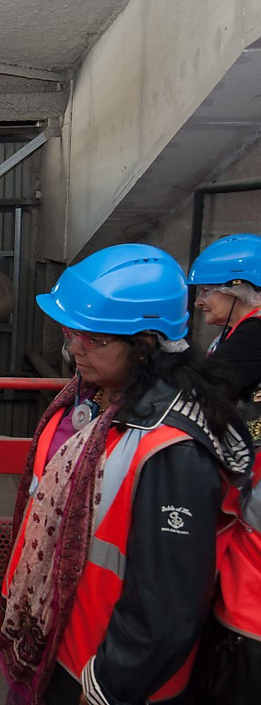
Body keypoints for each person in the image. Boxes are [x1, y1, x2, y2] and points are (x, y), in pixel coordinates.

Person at [0, 243, 254, 705]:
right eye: (70, 332)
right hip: (66, 645)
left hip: (105, 676)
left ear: (145, 346)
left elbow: (169, 607)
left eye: (92, 339)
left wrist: (107, 686)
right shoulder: (98, 400)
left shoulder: (172, 451)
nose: (73, 348)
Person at [187, 233, 261, 704]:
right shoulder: (235, 333)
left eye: (206, 291)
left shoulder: (255, 333)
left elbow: (207, 389)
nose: (198, 302)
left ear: (238, 287)